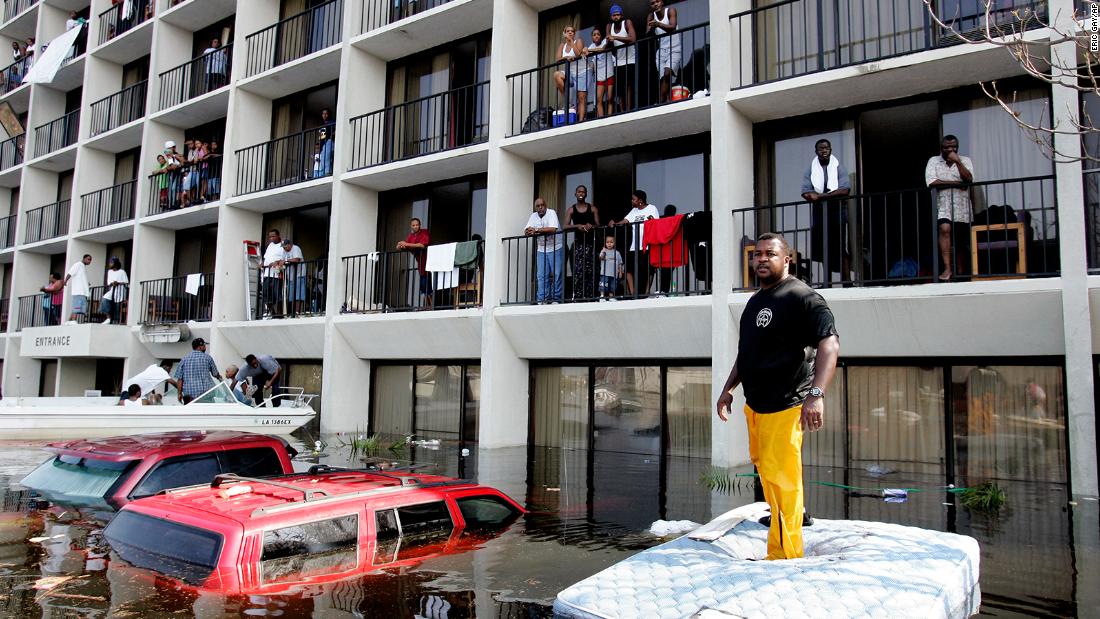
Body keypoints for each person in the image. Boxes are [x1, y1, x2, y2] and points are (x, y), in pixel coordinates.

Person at [716, 233, 840, 561]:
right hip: (755, 406)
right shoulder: (755, 302)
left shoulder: (802, 297)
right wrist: (728, 389)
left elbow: (829, 344)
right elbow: (747, 354)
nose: (760, 259)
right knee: (768, 475)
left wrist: (816, 394)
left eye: (769, 254)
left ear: (787, 259)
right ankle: (785, 533)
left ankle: (786, 556)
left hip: (787, 405)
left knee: (784, 481)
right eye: (756, 254)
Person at [801, 139, 852, 284]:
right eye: (821, 148)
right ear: (816, 151)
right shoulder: (810, 169)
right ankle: (826, 282)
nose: (824, 151)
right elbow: (806, 193)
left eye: (826, 148)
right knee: (823, 248)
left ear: (831, 150)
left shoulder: (838, 167)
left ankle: (847, 281)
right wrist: (822, 196)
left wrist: (821, 196)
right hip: (819, 214)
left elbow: (845, 190)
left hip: (837, 213)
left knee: (840, 247)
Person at [926, 135, 974, 281]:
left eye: (953, 147)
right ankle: (947, 269)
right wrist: (958, 184)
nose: (950, 149)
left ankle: (961, 272)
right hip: (943, 205)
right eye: (946, 147)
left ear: (957, 148)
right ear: (941, 148)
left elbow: (969, 179)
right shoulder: (934, 161)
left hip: (962, 207)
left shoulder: (965, 161)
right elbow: (932, 182)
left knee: (959, 240)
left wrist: (958, 162)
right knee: (944, 229)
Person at [611, 190, 658, 296]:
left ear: (640, 200)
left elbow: (656, 223)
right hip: (634, 246)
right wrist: (615, 223)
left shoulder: (652, 208)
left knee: (648, 270)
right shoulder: (634, 211)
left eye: (634, 199)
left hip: (647, 245)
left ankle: (646, 292)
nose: (632, 201)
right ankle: (633, 292)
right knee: (629, 268)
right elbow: (625, 221)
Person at [563, 185, 600, 300]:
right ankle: (578, 296)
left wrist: (591, 226)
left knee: (591, 271)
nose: (581, 193)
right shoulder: (571, 209)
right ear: (575, 194)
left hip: (591, 245)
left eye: (583, 192)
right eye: (579, 191)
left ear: (586, 194)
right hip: (578, 244)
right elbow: (564, 226)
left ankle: (590, 296)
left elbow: (598, 225)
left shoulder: (593, 208)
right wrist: (577, 226)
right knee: (578, 272)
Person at [526, 197, 564, 304]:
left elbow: (553, 228)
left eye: (542, 205)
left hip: (556, 247)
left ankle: (556, 298)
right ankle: (542, 299)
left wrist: (536, 230)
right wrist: (528, 231)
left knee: (557, 273)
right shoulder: (533, 216)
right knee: (541, 275)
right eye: (538, 206)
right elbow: (526, 230)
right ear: (535, 208)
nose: (540, 207)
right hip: (541, 249)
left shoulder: (551, 213)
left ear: (545, 205)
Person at [647, 0, 680, 103]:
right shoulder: (651, 16)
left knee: (667, 73)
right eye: (653, 3)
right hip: (661, 51)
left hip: (674, 48)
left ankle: (660, 101)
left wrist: (658, 24)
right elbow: (647, 33)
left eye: (657, 1)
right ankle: (667, 100)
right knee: (662, 79)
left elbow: (673, 27)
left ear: (662, 2)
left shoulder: (670, 11)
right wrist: (651, 28)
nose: (655, 4)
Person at [553, 25, 588, 123]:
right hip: (569, 72)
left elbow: (578, 54)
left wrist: (571, 42)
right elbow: (558, 59)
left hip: (581, 71)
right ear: (564, 33)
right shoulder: (562, 45)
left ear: (574, 33)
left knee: (581, 98)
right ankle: (568, 101)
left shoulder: (578, 41)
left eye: (572, 31)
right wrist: (566, 58)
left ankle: (581, 120)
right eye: (567, 31)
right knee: (556, 75)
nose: (570, 33)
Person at [396, 217, 432, 309]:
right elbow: (403, 247)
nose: (415, 226)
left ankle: (431, 307)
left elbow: (422, 245)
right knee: (424, 287)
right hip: (421, 264)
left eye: (417, 225)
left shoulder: (424, 232)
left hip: (429, 263)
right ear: (411, 226)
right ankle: (428, 307)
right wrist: (400, 245)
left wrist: (406, 244)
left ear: (420, 225)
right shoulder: (411, 236)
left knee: (427, 286)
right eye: (413, 225)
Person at [606, 4, 636, 113]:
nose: (616, 17)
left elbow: (632, 39)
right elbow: (609, 43)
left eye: (618, 15)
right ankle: (622, 110)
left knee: (628, 85)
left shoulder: (627, 23)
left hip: (630, 59)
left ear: (622, 16)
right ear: (611, 17)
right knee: (620, 87)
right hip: (618, 60)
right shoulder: (609, 26)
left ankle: (628, 109)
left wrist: (615, 37)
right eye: (614, 15)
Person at [174, 337, 222, 402]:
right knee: (208, 411)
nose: (205, 347)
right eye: (204, 345)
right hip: (206, 393)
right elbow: (215, 374)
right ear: (200, 347)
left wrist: (179, 394)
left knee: (193, 412)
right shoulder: (207, 357)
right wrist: (219, 377)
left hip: (190, 396)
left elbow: (180, 379)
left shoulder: (184, 359)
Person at [588, 26, 615, 118]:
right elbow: (584, 53)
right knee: (599, 99)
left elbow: (602, 49)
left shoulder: (605, 41)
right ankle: (601, 118)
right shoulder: (591, 46)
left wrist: (588, 50)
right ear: (592, 37)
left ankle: (610, 117)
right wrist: (584, 50)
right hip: (599, 75)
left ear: (601, 36)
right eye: (594, 35)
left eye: (598, 34)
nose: (596, 36)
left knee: (610, 98)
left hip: (609, 72)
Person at [262, 229, 285, 317]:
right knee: (266, 294)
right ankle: (273, 313)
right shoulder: (270, 245)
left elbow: (285, 257)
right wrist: (262, 264)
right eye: (270, 237)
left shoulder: (283, 244)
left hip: (277, 274)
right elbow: (266, 258)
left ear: (278, 235)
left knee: (278, 294)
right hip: (267, 274)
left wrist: (277, 261)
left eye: (273, 236)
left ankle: (279, 314)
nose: (271, 238)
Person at [64, 254, 92, 324]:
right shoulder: (78, 264)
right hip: (78, 291)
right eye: (89, 259)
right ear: (84, 258)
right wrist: (65, 281)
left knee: (77, 306)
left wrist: (86, 283)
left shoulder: (83, 267)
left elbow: (81, 278)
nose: (90, 261)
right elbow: (70, 273)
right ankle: (73, 320)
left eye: (90, 260)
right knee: (76, 306)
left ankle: (69, 321)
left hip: (83, 292)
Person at [281, 238, 306, 316]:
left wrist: (285, 261)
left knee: (298, 294)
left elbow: (296, 259)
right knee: (291, 295)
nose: (284, 248)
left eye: (285, 246)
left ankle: (297, 312)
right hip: (291, 276)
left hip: (299, 274)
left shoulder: (296, 248)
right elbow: (282, 260)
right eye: (283, 247)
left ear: (290, 244)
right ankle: (292, 312)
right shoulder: (284, 251)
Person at [99, 257, 128, 324]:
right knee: (105, 299)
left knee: (117, 305)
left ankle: (116, 320)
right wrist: (112, 283)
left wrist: (118, 283)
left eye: (111, 262)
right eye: (109, 262)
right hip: (112, 290)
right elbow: (109, 283)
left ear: (116, 263)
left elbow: (126, 282)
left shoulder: (122, 272)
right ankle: (108, 318)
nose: (110, 264)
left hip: (120, 290)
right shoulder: (109, 272)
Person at [598, 235, 624, 300]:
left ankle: (611, 296)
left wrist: (620, 271)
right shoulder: (604, 251)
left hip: (613, 273)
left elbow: (620, 263)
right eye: (607, 242)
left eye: (611, 242)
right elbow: (601, 258)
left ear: (614, 243)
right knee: (603, 284)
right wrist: (603, 251)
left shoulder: (617, 253)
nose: (609, 244)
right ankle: (602, 296)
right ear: (605, 243)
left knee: (612, 286)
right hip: (605, 272)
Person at [314, 108, 334, 178]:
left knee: (327, 157)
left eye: (326, 113)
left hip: (329, 141)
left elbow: (336, 129)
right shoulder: (322, 125)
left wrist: (331, 137)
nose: (324, 115)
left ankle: (327, 172)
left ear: (329, 114)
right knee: (323, 158)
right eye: (323, 114)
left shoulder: (331, 122)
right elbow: (321, 137)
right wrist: (320, 146)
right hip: (323, 144)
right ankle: (323, 174)